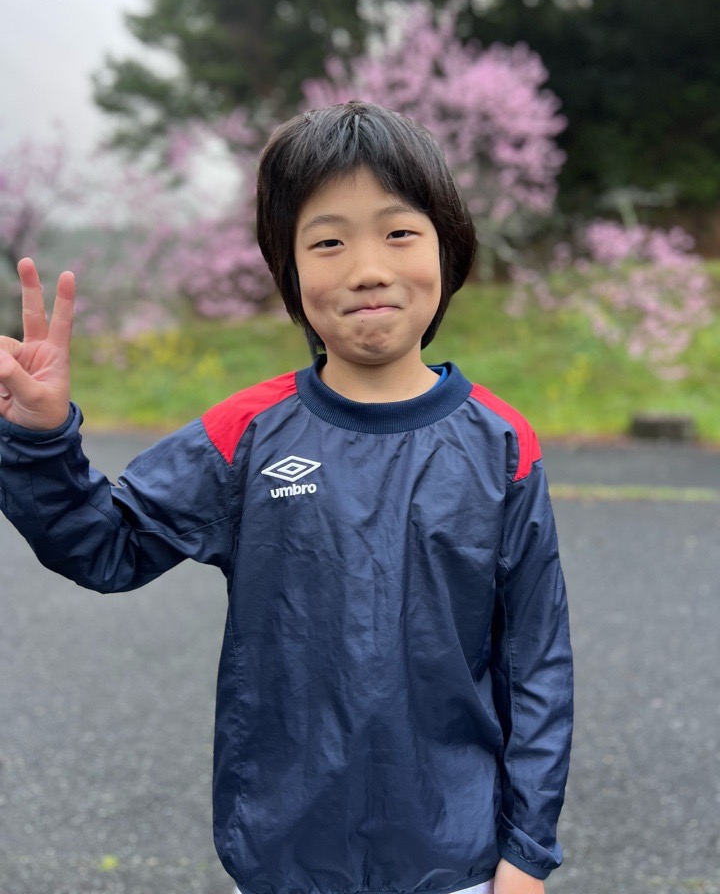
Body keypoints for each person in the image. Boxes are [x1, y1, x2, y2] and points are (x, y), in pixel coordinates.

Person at [0, 102, 573, 894]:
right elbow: (105, 546)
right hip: (282, 859)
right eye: (329, 241)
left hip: (455, 861)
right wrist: (39, 439)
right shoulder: (245, 433)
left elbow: (536, 662)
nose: (367, 268)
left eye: (399, 233)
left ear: (449, 246)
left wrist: (527, 851)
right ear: (289, 270)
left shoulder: (503, 445)